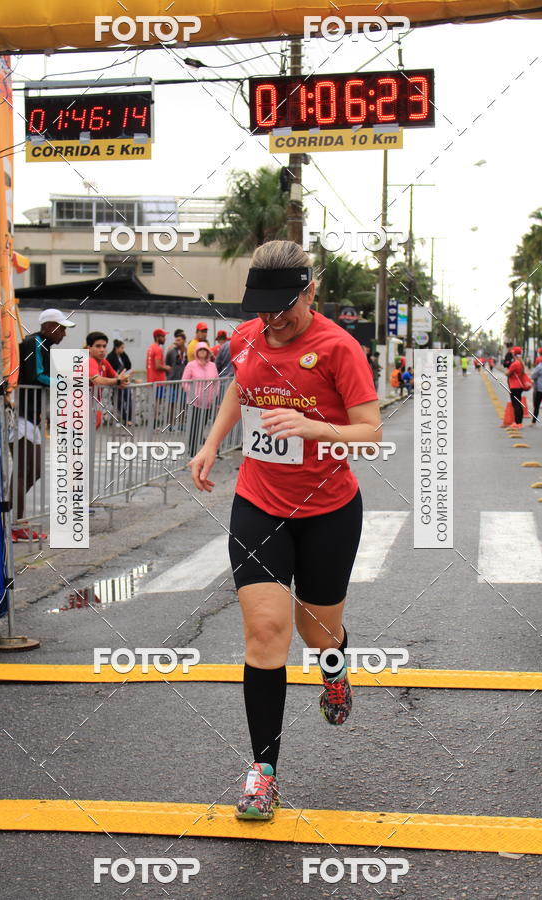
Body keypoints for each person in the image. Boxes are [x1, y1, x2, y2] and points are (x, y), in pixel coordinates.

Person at [189, 240, 380, 820]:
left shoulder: (339, 347)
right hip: (260, 505)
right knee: (266, 631)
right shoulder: (247, 337)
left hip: (329, 510)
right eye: (264, 308)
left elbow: (370, 432)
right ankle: (263, 772)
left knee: (317, 632)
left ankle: (334, 669)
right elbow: (239, 388)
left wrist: (310, 425)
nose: (273, 319)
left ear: (310, 291)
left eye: (284, 307)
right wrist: (212, 443)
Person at [10, 308, 75, 542]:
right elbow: (37, 376)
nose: (64, 334)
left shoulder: (42, 344)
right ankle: (15, 522)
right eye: (62, 329)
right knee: (22, 470)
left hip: (31, 414)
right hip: (19, 414)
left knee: (34, 471)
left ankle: (11, 514)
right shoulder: (35, 342)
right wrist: (67, 382)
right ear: (48, 327)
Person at [182, 342, 219, 455]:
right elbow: (184, 382)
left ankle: (201, 450)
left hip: (208, 403)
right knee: (194, 426)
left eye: (205, 350)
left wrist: (214, 395)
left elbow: (217, 382)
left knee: (202, 426)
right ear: (196, 352)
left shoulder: (212, 365)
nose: (203, 352)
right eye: (200, 350)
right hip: (194, 403)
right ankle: (192, 451)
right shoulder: (191, 365)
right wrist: (193, 394)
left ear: (208, 352)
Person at [87, 332, 130, 428]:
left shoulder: (104, 362)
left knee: (91, 432)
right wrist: (118, 381)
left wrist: (124, 380)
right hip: (78, 407)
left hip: (93, 405)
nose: (102, 350)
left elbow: (117, 377)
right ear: (89, 348)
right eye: (98, 346)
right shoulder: (89, 361)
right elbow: (97, 381)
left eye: (104, 346)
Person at [165, 330, 188, 428]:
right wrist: (170, 375)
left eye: (179, 340)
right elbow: (167, 364)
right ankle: (170, 424)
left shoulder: (187, 352)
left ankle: (182, 423)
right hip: (172, 382)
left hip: (184, 382)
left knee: (183, 404)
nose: (176, 342)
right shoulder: (171, 352)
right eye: (176, 340)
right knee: (171, 403)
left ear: (184, 341)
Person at [107, 339, 133, 425]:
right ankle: (125, 417)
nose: (123, 350)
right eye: (122, 348)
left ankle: (129, 419)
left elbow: (128, 365)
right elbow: (109, 370)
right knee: (118, 401)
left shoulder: (123, 355)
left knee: (128, 399)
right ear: (116, 348)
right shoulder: (110, 357)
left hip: (125, 380)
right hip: (116, 382)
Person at [507, 346, 528, 428]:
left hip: (514, 386)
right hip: (519, 386)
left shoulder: (515, 364)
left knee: (516, 405)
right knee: (518, 404)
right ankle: (520, 422)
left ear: (514, 354)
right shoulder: (521, 363)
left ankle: (517, 422)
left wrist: (507, 372)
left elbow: (508, 373)